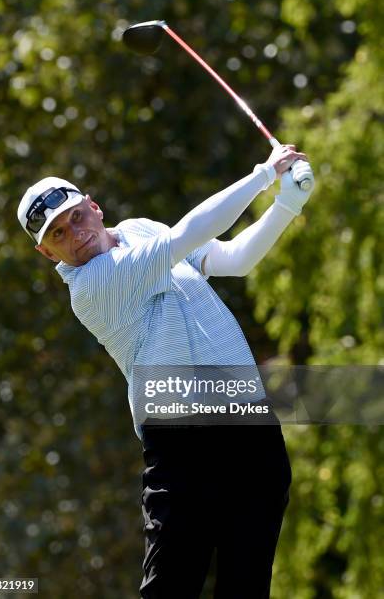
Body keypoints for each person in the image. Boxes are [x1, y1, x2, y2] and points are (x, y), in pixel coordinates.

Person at [17, 144, 314, 598]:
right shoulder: (92, 286)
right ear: (46, 252)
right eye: (57, 233)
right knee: (169, 589)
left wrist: (286, 204)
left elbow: (234, 260)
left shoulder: (139, 230)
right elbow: (184, 237)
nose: (74, 234)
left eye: (76, 217)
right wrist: (262, 176)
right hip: (183, 444)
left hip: (248, 424)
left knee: (247, 584)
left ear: (94, 208)